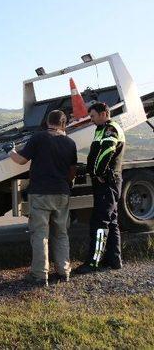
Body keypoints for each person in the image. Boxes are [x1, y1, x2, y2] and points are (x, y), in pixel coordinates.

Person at [4, 110, 78, 286]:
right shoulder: (70, 142)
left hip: (41, 193)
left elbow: (21, 160)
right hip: (62, 193)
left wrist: (10, 151)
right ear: (64, 124)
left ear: (47, 122)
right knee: (61, 234)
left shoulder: (39, 138)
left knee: (40, 235)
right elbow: (72, 170)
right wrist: (67, 184)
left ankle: (40, 275)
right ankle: (64, 272)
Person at [74, 102, 125, 274]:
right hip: (108, 181)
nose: (92, 120)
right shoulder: (101, 129)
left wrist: (98, 173)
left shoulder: (111, 128)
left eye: (93, 116)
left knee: (100, 221)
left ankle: (94, 262)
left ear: (104, 113)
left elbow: (106, 152)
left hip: (107, 181)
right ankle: (114, 260)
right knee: (111, 221)